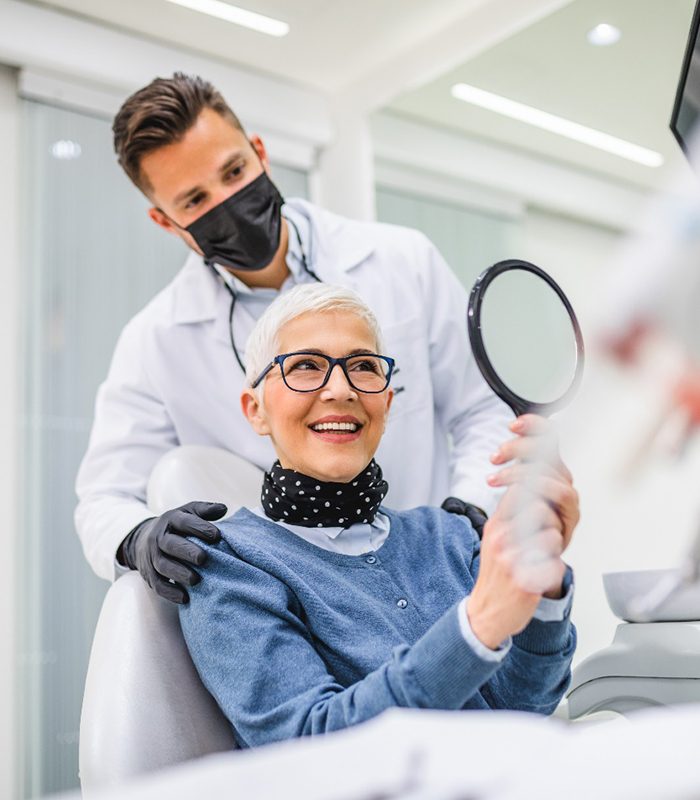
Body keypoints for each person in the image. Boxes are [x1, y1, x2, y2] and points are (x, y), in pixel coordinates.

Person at [75, 72, 516, 602]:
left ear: (260, 153)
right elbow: (105, 496)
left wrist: (466, 514)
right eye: (194, 200)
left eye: (234, 171)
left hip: (434, 571)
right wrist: (137, 537)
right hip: (294, 602)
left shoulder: (403, 262)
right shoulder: (156, 340)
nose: (228, 204)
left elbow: (483, 411)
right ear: (166, 222)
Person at [178, 283, 578, 748]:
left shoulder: (450, 537)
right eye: (306, 366)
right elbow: (310, 748)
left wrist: (543, 587)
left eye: (363, 367)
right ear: (256, 410)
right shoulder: (230, 566)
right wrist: (478, 624)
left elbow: (525, 706)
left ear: (386, 403)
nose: (341, 390)